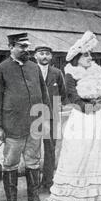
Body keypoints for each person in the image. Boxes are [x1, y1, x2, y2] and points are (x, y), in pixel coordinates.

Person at [47, 31, 101, 201]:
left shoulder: (98, 71)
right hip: (81, 117)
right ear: (77, 58)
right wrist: (88, 107)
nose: (89, 57)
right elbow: (72, 96)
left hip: (98, 117)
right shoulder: (71, 73)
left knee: (96, 153)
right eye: (86, 54)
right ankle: (67, 196)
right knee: (77, 153)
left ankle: (97, 197)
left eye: (90, 54)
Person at [0, 32, 51, 201]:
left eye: (27, 46)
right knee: (10, 164)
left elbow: (44, 93)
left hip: (35, 124)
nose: (26, 50)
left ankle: (34, 198)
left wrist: (44, 118)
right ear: (11, 47)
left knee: (33, 161)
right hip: (13, 126)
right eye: (22, 46)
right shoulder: (1, 69)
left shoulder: (34, 67)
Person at [33, 45, 67, 192]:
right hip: (33, 115)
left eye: (47, 54)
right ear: (35, 56)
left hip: (52, 115)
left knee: (50, 149)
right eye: (41, 54)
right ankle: (33, 184)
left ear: (51, 57)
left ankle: (48, 181)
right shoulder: (29, 71)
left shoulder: (57, 73)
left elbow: (63, 93)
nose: (44, 56)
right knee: (32, 149)